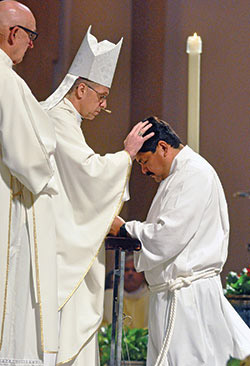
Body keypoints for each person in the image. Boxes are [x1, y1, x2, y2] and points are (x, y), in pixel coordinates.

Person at [41, 26, 153, 365]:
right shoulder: (59, 118)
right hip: (58, 243)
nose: (104, 105)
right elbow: (88, 173)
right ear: (80, 88)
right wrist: (127, 155)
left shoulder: (64, 119)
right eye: (101, 96)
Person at [110, 116, 250, 366]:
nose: (143, 171)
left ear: (163, 147)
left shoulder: (193, 173)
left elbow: (167, 236)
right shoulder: (177, 175)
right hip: (173, 296)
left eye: (144, 161)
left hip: (187, 299)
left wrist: (124, 229)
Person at [0, 1, 59, 366]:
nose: (32, 45)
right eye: (30, 35)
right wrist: (50, 177)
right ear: (11, 33)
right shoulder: (5, 81)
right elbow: (24, 154)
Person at [103, 254, 149, 329]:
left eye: (135, 270)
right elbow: (108, 324)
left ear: (143, 275)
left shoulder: (151, 297)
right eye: (126, 270)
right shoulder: (112, 295)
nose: (130, 273)